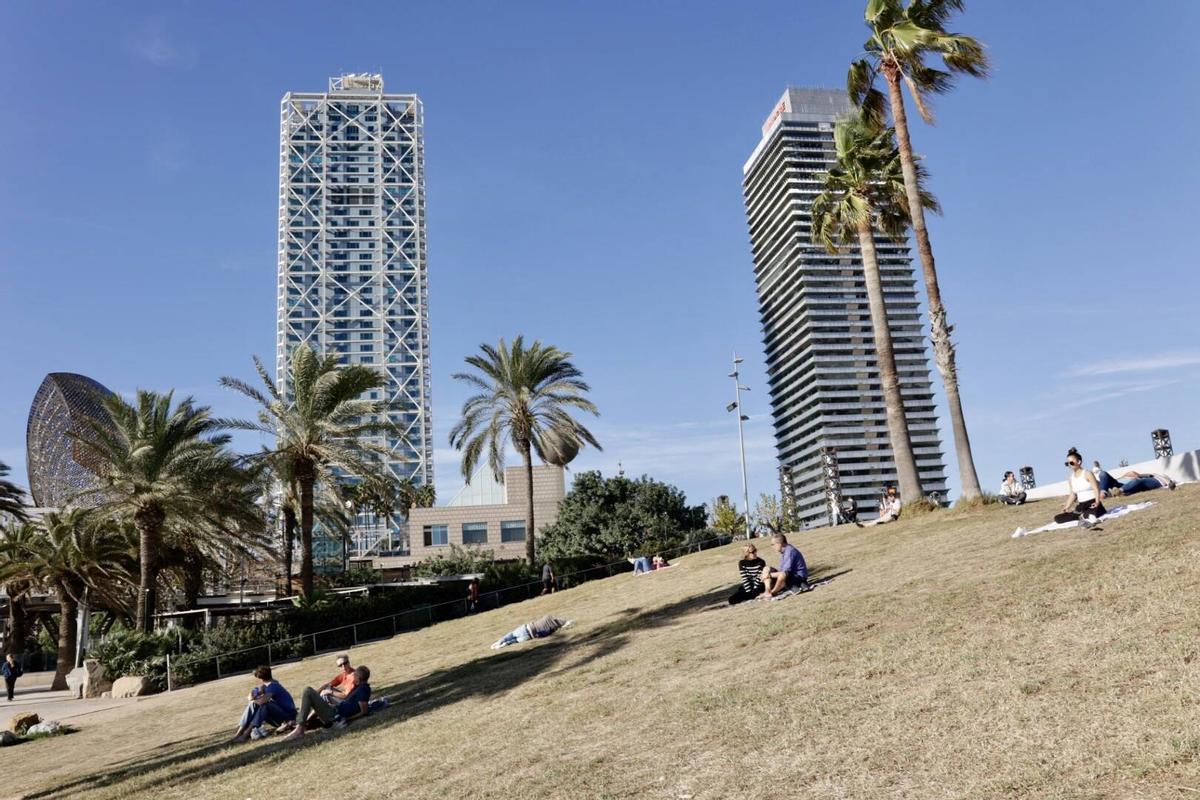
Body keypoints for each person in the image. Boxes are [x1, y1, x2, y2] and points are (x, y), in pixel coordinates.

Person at [284, 665, 372, 741]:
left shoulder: (363, 690)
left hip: (335, 716)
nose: (353, 676)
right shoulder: (358, 687)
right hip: (335, 710)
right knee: (314, 695)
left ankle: (299, 729)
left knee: (308, 691)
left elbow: (364, 711)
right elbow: (348, 701)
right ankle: (300, 725)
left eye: (355, 675)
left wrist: (346, 719)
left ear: (359, 678)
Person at [231, 665, 297, 742]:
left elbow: (261, 701)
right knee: (253, 704)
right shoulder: (268, 685)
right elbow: (250, 696)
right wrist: (255, 695)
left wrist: (253, 698)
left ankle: (246, 733)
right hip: (279, 717)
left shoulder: (273, 686)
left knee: (265, 705)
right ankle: (239, 732)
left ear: (260, 678)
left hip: (289, 718)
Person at [1055, 447, 1106, 526]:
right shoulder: (1071, 478)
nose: (1069, 465)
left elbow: (1096, 489)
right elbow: (1073, 494)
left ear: (1079, 462)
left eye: (1071, 463)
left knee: (1091, 514)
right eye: (1067, 463)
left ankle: (1084, 516)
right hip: (1081, 505)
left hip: (1092, 502)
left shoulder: (1087, 473)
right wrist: (1066, 507)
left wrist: (1097, 502)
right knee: (1058, 518)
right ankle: (1082, 516)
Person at [760, 533, 811, 599]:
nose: (772, 547)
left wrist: (769, 575)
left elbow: (785, 572)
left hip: (798, 577)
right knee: (766, 569)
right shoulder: (784, 552)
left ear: (779, 543)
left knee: (781, 575)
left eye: (773, 544)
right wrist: (768, 574)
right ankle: (767, 591)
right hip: (791, 576)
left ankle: (773, 592)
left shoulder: (790, 551)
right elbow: (782, 570)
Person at [490, 614, 573, 649]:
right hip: (529, 636)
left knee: (510, 635)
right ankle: (503, 645)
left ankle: (498, 642)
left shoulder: (547, 617)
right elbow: (543, 635)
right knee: (514, 641)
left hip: (526, 628)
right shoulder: (552, 629)